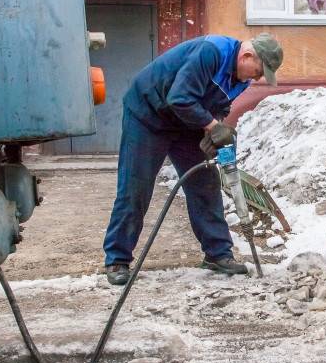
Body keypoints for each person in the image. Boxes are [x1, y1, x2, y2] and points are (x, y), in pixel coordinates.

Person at [101, 33, 283, 286]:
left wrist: (215, 127)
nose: (257, 78)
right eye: (259, 71)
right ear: (248, 55)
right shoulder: (212, 52)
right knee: (136, 186)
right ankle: (117, 259)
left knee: (205, 184)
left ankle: (218, 254)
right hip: (148, 114)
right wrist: (211, 125)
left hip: (185, 122)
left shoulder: (241, 78)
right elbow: (180, 97)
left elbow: (219, 105)